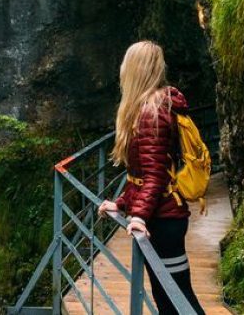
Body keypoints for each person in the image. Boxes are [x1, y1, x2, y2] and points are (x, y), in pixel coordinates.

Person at [97, 41, 205, 315]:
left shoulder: (151, 112)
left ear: (134, 69)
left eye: (126, 64)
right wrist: (121, 204)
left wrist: (139, 217)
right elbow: (142, 176)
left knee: (177, 299)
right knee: (168, 295)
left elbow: (155, 175)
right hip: (164, 216)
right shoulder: (151, 107)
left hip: (165, 220)